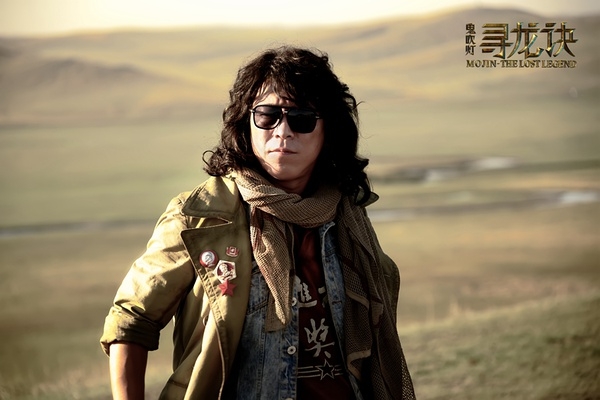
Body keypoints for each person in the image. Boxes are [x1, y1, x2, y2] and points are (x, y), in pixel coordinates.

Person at [101, 45, 415, 400]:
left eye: (302, 118)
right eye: (268, 116)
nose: (283, 132)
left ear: (328, 130)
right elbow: (131, 319)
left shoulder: (347, 215)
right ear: (246, 123)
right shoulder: (200, 217)